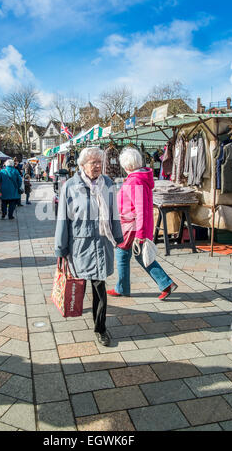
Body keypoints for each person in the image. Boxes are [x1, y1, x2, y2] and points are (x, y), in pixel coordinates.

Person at [55, 147, 123, 347]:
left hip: (102, 244)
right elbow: (62, 219)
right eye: (93, 162)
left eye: (99, 162)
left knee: (99, 288)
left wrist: (118, 238)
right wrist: (61, 249)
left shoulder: (108, 183)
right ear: (82, 165)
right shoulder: (70, 186)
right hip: (79, 245)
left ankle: (100, 328)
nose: (97, 166)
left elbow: (113, 214)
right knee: (78, 284)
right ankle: (74, 308)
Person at [107, 147, 177, 301]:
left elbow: (141, 209)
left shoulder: (134, 180)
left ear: (127, 165)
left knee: (122, 253)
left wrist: (141, 234)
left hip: (130, 226)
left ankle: (124, 287)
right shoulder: (139, 178)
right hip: (132, 225)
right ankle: (165, 284)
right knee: (136, 255)